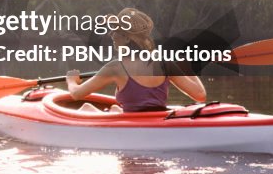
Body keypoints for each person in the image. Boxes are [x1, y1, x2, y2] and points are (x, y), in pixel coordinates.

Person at [65, 8, 207, 113]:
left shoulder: (115, 68)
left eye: (116, 31)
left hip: (133, 124)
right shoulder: (165, 64)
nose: (111, 34)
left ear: (127, 38)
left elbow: (76, 94)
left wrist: (72, 80)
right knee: (114, 109)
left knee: (86, 107)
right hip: (157, 122)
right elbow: (200, 95)